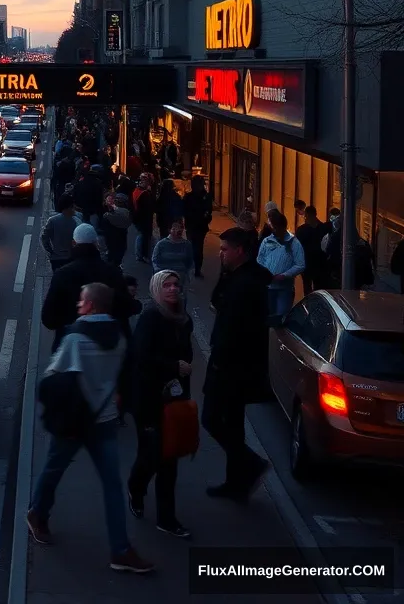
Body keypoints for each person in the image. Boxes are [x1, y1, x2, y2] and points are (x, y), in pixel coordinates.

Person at [27, 282, 154, 574]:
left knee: (52, 470)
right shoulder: (121, 336)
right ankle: (121, 550)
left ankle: (37, 514)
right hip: (105, 420)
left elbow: (52, 378)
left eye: (82, 301)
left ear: (92, 305)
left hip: (73, 422)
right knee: (112, 487)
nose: (78, 306)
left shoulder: (75, 338)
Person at [202, 227, 270, 501]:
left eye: (224, 249)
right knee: (232, 424)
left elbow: (233, 327)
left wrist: (220, 362)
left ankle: (251, 464)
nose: (220, 253)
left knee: (211, 419)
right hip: (238, 366)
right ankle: (236, 483)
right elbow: (216, 300)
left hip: (231, 366)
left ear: (240, 250)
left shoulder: (246, 285)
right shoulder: (240, 276)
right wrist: (224, 271)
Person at [127, 270, 194, 538]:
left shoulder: (184, 318)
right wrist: (173, 366)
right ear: (156, 289)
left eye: (176, 284)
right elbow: (141, 358)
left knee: (170, 457)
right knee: (151, 454)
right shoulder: (150, 318)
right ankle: (136, 487)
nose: (172, 289)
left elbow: (186, 353)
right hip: (148, 399)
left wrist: (183, 372)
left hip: (174, 397)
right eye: (166, 285)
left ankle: (166, 518)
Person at [41, 224, 142, 350]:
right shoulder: (112, 272)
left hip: (70, 348)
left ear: (74, 243)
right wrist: (136, 304)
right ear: (96, 243)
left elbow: (48, 319)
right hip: (107, 346)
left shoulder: (62, 275)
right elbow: (125, 307)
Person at [257, 211, 306, 320]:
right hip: (268, 287)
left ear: (282, 227)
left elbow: (300, 264)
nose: (273, 231)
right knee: (266, 317)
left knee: (280, 319)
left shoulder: (294, 243)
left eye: (275, 228)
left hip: (284, 289)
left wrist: (284, 275)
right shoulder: (267, 241)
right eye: (272, 228)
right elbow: (260, 259)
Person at [181, 176, 213, 278]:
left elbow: (184, 210)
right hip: (200, 225)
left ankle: (192, 267)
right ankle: (197, 269)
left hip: (192, 225)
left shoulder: (189, 196)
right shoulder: (206, 196)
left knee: (192, 246)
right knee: (198, 247)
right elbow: (209, 211)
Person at [151, 220, 195, 292]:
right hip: (164, 274)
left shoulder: (187, 245)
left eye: (180, 228)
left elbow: (190, 262)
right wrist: (159, 274)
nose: (178, 230)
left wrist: (188, 276)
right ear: (170, 230)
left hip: (180, 276)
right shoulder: (161, 244)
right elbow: (155, 260)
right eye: (175, 228)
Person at [295, 205, 328, 294]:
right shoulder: (324, 228)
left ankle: (310, 304)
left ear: (306, 215)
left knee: (307, 287)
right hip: (320, 263)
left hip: (307, 263)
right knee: (319, 288)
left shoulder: (301, 230)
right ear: (316, 214)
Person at [41, 195, 79, 271]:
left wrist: (50, 251)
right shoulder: (76, 221)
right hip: (71, 257)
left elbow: (44, 238)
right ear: (70, 206)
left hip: (56, 257)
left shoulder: (52, 220)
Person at [101, 193, 133, 267]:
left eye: (113, 200)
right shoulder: (107, 213)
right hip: (113, 243)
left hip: (116, 242)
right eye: (109, 199)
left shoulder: (117, 213)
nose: (111, 201)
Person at [133, 176, 157, 265]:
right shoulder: (145, 194)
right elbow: (149, 207)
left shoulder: (136, 191)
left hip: (138, 218)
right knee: (143, 237)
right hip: (144, 219)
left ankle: (140, 255)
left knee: (141, 236)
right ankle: (142, 255)